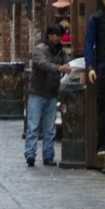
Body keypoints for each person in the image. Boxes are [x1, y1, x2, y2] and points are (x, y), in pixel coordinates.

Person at [24, 21, 66, 168]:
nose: (59, 38)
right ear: (49, 35)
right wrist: (59, 68)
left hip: (52, 93)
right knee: (33, 125)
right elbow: (42, 64)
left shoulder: (60, 51)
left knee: (50, 128)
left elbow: (67, 63)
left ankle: (48, 155)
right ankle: (30, 154)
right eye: (56, 35)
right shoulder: (39, 50)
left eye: (60, 35)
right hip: (37, 92)